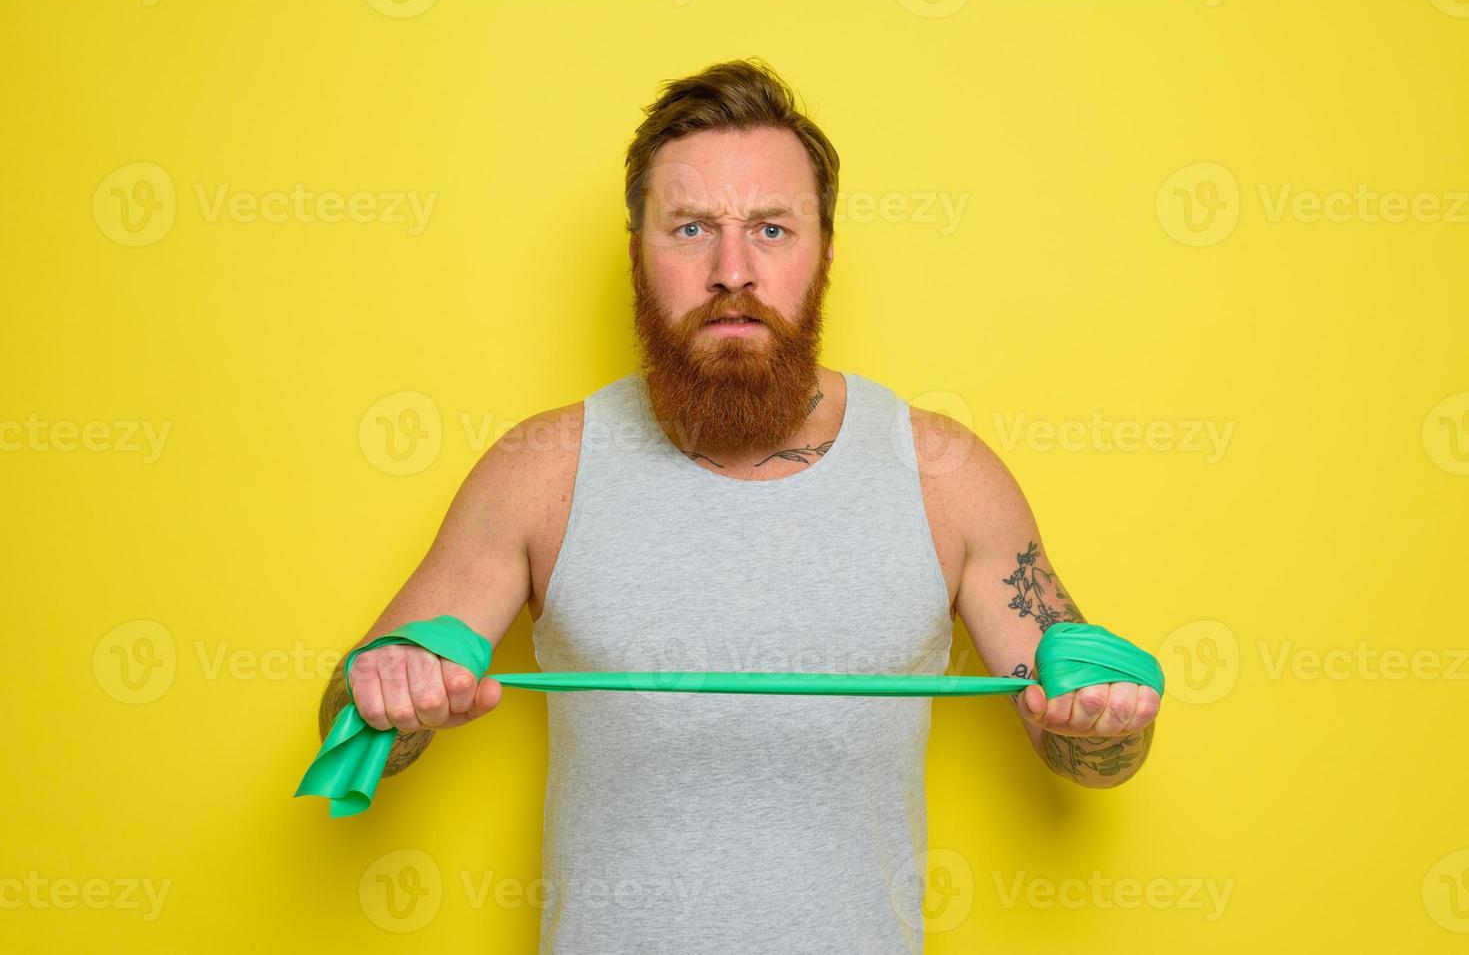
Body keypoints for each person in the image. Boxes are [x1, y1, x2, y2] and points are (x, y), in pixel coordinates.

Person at [316, 57, 1160, 953]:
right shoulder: (541, 467)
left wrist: (1104, 712)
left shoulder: (943, 472)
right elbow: (347, 713)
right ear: (637, 251)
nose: (731, 271)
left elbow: (1093, 758)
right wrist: (388, 688)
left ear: (825, 251)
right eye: (688, 229)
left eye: (770, 228)